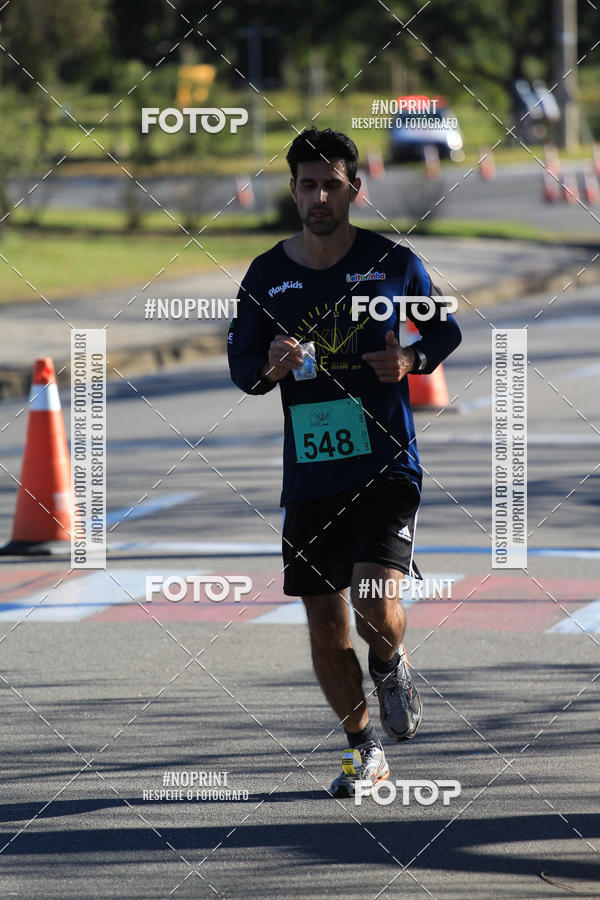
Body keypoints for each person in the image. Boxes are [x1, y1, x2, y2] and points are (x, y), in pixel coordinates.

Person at [227, 127, 461, 798]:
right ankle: (364, 750)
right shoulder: (267, 276)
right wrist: (269, 369)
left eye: (333, 183)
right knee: (324, 621)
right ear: (293, 190)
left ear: (354, 189)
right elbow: (243, 370)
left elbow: (443, 329)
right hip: (311, 470)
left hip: (386, 461)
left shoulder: (393, 263)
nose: (320, 196)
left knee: (371, 605)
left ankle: (390, 661)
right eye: (308, 184)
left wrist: (412, 360)